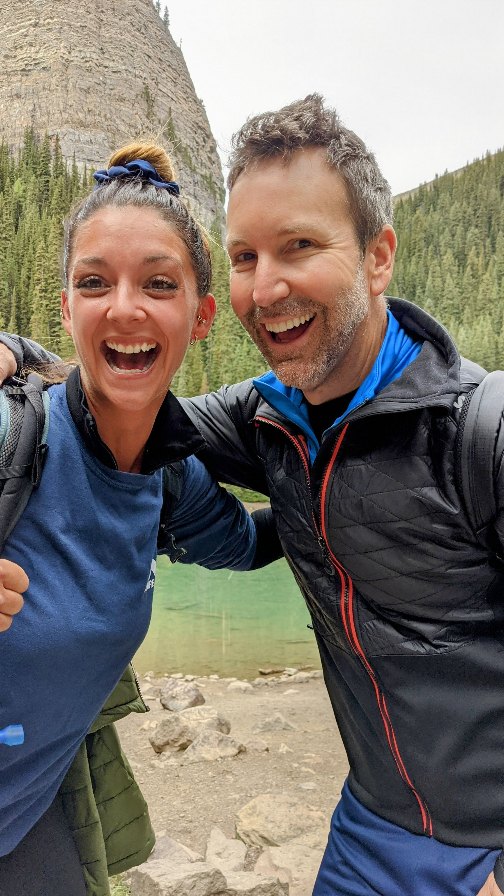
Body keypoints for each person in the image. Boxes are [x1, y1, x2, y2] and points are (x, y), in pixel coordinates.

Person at [3, 95, 504, 896]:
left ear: (379, 257)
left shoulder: (483, 431)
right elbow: (111, 402)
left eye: (298, 246)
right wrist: (18, 352)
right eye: (244, 258)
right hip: (369, 837)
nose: (267, 288)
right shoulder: (256, 419)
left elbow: (223, 518)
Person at [0, 140, 278, 896]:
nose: (125, 307)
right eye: (95, 283)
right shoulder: (12, 432)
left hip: (24, 818)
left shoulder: (170, 477)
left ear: (203, 314)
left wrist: (342, 501)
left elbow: (250, 542)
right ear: (67, 307)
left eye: (158, 283)